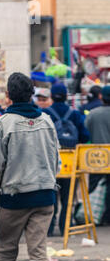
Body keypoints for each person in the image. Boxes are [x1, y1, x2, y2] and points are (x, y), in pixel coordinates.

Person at [0, 72, 60, 261]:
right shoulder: (46, 121)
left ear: (8, 95)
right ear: (31, 94)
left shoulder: (2, 125)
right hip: (45, 196)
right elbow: (56, 159)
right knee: (37, 251)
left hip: (13, 199)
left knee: (6, 251)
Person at [42, 82, 89, 236]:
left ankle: (49, 228)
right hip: (71, 160)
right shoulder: (74, 114)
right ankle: (65, 227)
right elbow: (85, 135)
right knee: (68, 196)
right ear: (65, 96)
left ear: (52, 96)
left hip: (50, 160)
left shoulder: (44, 113)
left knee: (51, 195)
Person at [85, 85, 110, 225]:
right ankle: (107, 217)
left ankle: (93, 215)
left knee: (94, 187)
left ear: (102, 97)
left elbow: (85, 133)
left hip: (95, 158)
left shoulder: (93, 114)